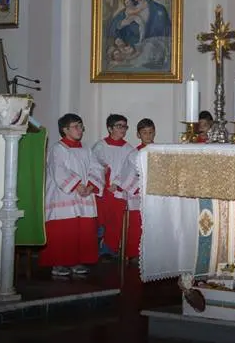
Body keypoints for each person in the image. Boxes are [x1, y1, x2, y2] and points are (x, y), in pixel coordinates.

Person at [39, 114, 104, 277]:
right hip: (63, 196)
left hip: (84, 195)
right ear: (65, 130)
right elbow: (58, 170)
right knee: (63, 229)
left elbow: (97, 168)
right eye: (76, 126)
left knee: (81, 229)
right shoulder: (57, 149)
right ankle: (58, 263)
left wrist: (92, 185)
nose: (80, 129)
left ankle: (76, 261)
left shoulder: (86, 149)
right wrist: (77, 185)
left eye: (81, 126)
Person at [91, 114, 136, 259]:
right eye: (119, 126)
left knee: (116, 220)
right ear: (110, 128)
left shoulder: (129, 149)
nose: (123, 129)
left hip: (118, 190)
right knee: (99, 220)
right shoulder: (100, 146)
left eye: (124, 126)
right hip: (102, 190)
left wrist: (117, 184)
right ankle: (95, 246)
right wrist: (104, 175)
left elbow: (130, 169)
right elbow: (94, 164)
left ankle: (108, 249)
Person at [117, 118, 156, 262]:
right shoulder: (134, 154)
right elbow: (127, 175)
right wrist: (140, 187)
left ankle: (153, 253)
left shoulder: (160, 152)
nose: (148, 135)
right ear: (138, 135)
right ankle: (134, 253)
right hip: (138, 196)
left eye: (150, 132)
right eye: (144, 133)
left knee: (154, 225)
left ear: (154, 133)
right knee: (136, 225)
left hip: (155, 196)